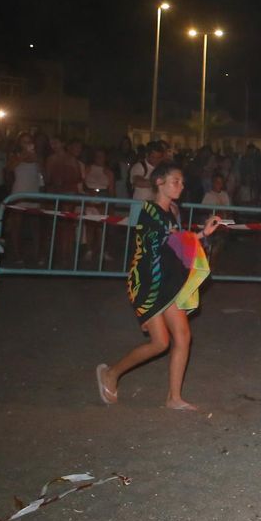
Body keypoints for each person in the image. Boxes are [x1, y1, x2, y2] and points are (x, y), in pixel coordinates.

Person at [96, 164, 221, 410]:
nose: (181, 186)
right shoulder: (149, 211)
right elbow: (162, 243)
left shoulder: (171, 212)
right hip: (150, 283)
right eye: (176, 181)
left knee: (183, 336)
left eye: (182, 182)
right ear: (159, 183)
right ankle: (111, 373)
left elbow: (175, 243)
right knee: (160, 343)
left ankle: (173, 398)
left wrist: (201, 234)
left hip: (169, 282)